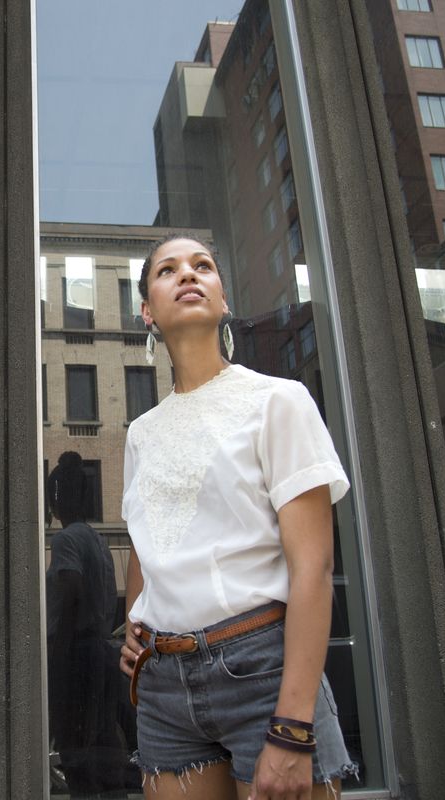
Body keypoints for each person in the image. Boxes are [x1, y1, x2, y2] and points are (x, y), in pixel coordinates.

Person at [118, 234, 357, 800]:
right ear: (148, 313)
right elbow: (145, 544)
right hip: (164, 684)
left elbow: (314, 570)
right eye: (168, 270)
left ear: (223, 300)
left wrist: (293, 727)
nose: (188, 275)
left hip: (263, 668)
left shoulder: (280, 400)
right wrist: (131, 629)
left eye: (202, 266)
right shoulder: (140, 434)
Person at [45, 451, 128, 798]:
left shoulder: (67, 541)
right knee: (101, 741)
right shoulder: (98, 540)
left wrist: (59, 654)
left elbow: (71, 589)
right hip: (100, 649)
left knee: (75, 746)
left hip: (76, 653)